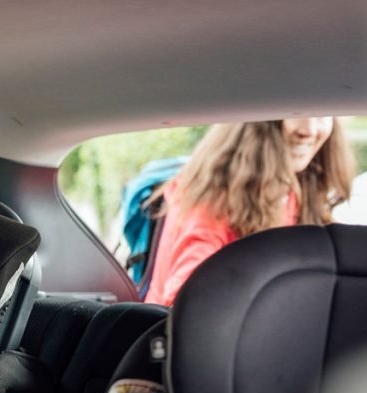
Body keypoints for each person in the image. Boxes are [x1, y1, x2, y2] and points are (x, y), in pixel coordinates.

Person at [144, 117, 355, 306]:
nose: (308, 129)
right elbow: (187, 302)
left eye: (320, 113)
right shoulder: (213, 199)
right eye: (295, 110)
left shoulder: (296, 189)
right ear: (257, 122)